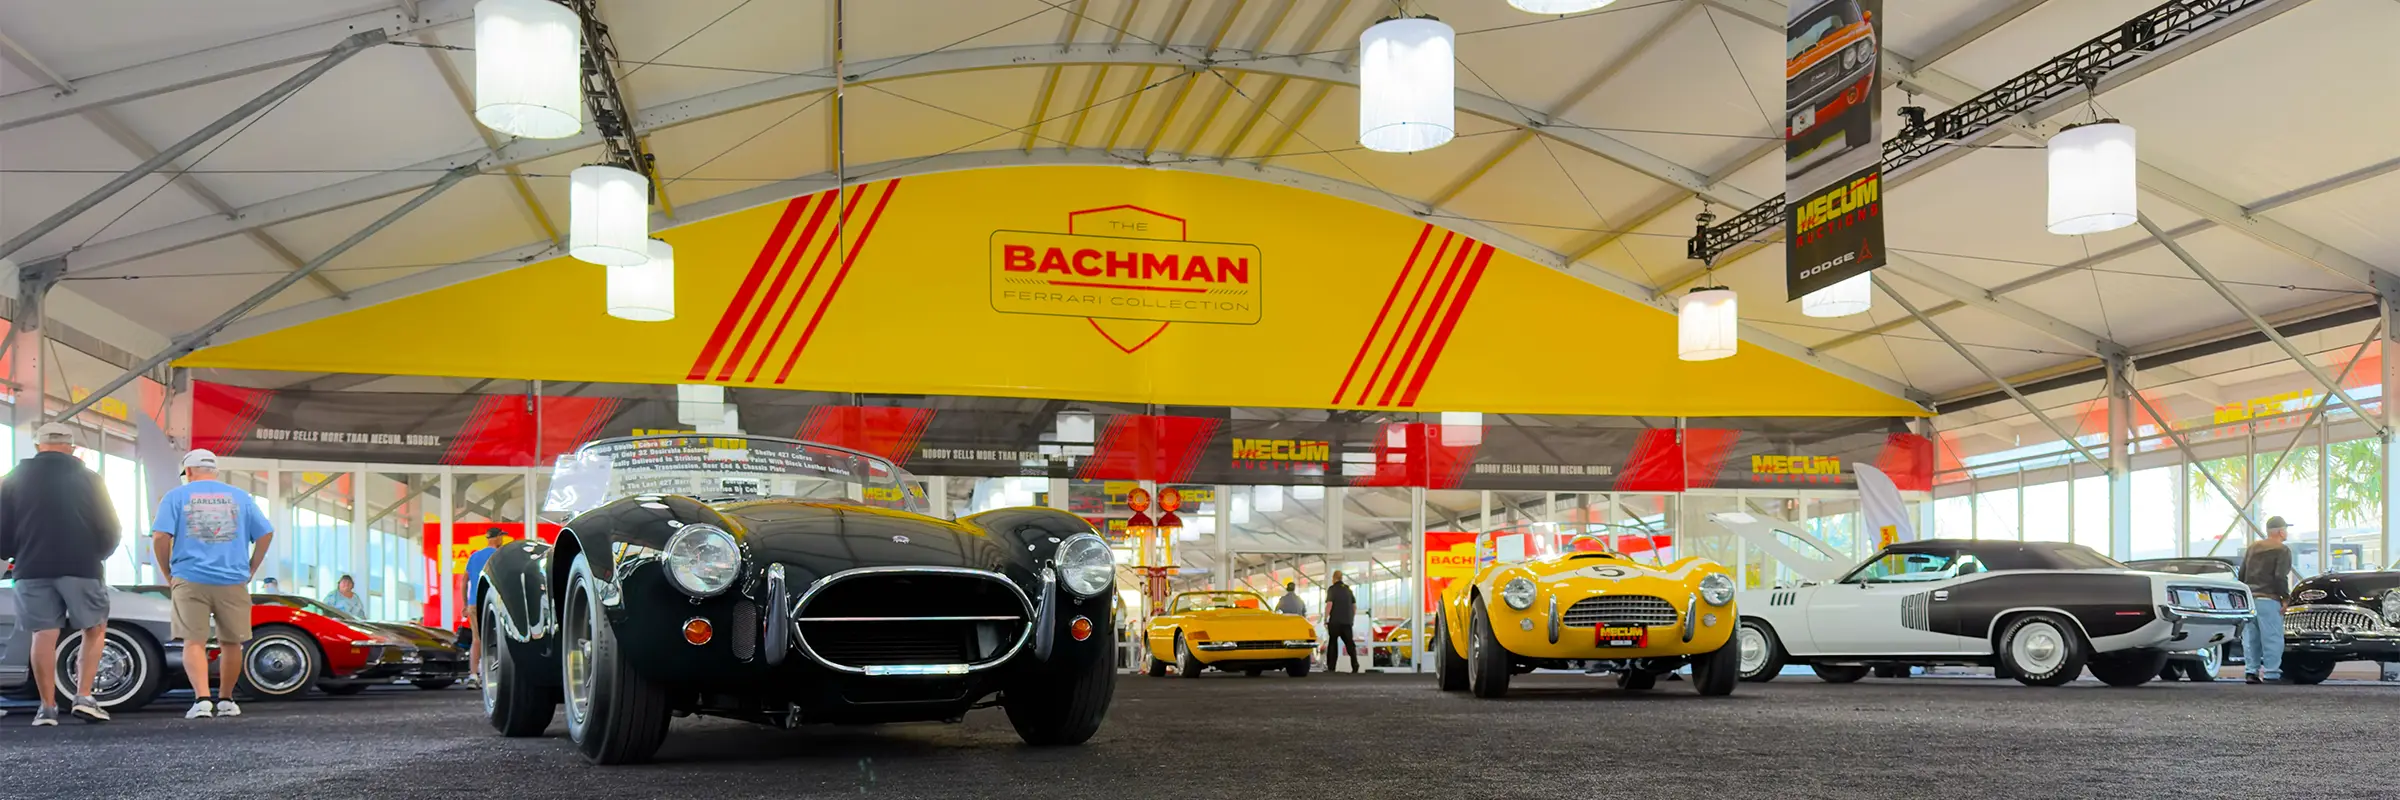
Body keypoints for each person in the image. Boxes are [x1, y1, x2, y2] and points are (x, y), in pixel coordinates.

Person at [0, 422, 121, 726]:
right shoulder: (90, 479)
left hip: (31, 568)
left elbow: (2, 530)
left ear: (37, 445)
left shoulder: (11, 479)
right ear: (71, 446)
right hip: (81, 566)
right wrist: (97, 555)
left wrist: (14, 554)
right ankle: (84, 697)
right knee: (94, 628)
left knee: (43, 634)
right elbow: (110, 527)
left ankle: (47, 708)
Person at [152, 449, 274, 719]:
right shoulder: (240, 497)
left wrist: (168, 573)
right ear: (215, 471)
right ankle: (227, 700)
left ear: (189, 471)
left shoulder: (175, 496)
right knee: (232, 642)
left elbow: (160, 537)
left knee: (193, 641)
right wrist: (251, 568)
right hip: (233, 579)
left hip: (189, 577)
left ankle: (202, 701)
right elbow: (266, 533)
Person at [2238, 516, 2293, 684]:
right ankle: (2271, 673)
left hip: (2250, 599)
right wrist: (2285, 598)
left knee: (2250, 638)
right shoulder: (2282, 550)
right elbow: (2280, 576)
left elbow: (2241, 574)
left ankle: (2251, 671)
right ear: (2281, 532)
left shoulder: (2252, 548)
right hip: (2269, 599)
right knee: (2272, 638)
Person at [461, 528, 506, 679]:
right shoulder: (499, 555)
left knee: (477, 639)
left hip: (474, 604)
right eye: (501, 537)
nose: (502, 540)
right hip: (494, 603)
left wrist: (465, 604)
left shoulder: (474, 556)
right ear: (497, 538)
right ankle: (493, 676)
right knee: (497, 639)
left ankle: (473, 675)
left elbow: (464, 582)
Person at [1324, 571, 1359, 673]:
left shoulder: (1332, 589)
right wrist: (1351, 618)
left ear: (1334, 578)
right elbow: (1354, 606)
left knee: (1333, 643)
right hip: (1347, 622)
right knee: (1350, 644)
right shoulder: (1348, 589)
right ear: (1341, 578)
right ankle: (1355, 665)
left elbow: (1329, 604)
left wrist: (1325, 618)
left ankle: (1331, 668)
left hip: (1335, 622)